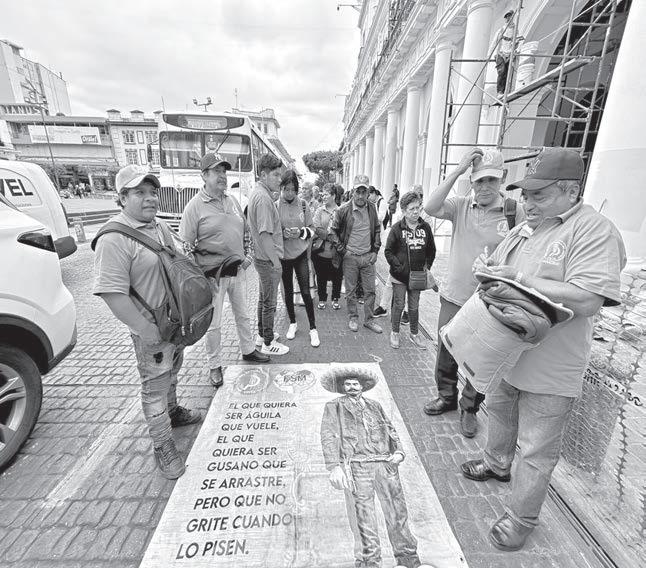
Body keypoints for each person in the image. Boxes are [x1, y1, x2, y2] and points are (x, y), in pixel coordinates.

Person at [460, 147, 625, 551]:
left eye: (540, 195)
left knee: (536, 449)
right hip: (508, 352)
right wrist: (488, 270)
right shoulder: (525, 228)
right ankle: (497, 464)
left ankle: (521, 518)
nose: (528, 203)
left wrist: (518, 278)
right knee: (499, 413)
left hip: (551, 366)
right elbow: (497, 266)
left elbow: (588, 299)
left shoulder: (593, 230)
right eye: (526, 194)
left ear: (571, 192)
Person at [93, 165, 201, 479]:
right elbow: (112, 293)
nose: (150, 198)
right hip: (151, 330)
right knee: (154, 387)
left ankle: (173, 412)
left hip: (174, 323)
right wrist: (144, 329)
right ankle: (163, 445)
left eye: (152, 192)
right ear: (122, 197)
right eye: (139, 192)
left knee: (172, 374)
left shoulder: (158, 226)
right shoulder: (114, 238)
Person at [423, 148, 524, 438]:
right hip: (454, 295)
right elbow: (430, 206)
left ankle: (470, 407)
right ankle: (446, 396)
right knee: (446, 350)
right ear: (472, 181)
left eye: (491, 180)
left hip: (489, 299)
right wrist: (458, 170)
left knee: (480, 358)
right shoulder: (461, 205)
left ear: (502, 178)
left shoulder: (513, 211)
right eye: (480, 180)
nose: (485, 187)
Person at [179, 153, 269, 388]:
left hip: (237, 272)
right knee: (214, 324)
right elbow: (185, 246)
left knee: (243, 315)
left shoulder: (233, 201)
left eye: (224, 171)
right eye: (216, 171)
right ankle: (215, 366)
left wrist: (248, 258)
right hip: (212, 278)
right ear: (204, 176)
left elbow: (246, 232)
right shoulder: (194, 207)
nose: (222, 176)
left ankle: (248, 350)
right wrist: (199, 278)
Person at [320, 367, 422, 568]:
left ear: (362, 386)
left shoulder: (375, 405)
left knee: (397, 512)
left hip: (385, 464)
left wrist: (399, 452)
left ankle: (408, 559)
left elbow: (390, 428)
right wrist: (334, 466)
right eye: (347, 384)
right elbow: (328, 434)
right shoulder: (334, 406)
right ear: (342, 387)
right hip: (357, 466)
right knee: (363, 517)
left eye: (355, 383)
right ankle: (369, 562)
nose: (351, 387)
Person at [247, 154, 290, 355]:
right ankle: (268, 342)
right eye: (276, 175)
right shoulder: (263, 198)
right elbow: (265, 235)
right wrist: (276, 262)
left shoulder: (259, 193)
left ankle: (263, 334)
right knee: (269, 303)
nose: (280, 179)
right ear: (263, 175)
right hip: (268, 259)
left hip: (262, 258)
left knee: (264, 299)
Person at [330, 174, 383, 334]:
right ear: (353, 192)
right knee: (351, 291)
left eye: (363, 192)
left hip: (368, 257)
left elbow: (377, 229)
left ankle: (369, 320)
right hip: (350, 257)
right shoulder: (343, 210)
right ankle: (353, 317)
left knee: (370, 291)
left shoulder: (372, 208)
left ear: (368, 193)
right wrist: (343, 251)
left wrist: (375, 251)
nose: (360, 196)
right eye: (357, 192)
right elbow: (333, 232)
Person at [384, 191, 436, 350]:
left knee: (414, 306)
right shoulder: (396, 228)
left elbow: (431, 250)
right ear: (404, 211)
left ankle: (414, 334)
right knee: (399, 305)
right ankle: (395, 332)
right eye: (412, 209)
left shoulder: (425, 227)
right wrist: (398, 267)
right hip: (399, 277)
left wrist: (426, 267)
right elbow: (388, 251)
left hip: (418, 277)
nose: (416, 211)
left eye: (418, 207)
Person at [277, 170, 320, 347]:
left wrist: (301, 232)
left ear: (296, 189)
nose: (289, 193)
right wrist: (283, 233)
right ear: (281, 188)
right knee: (287, 291)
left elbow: (312, 229)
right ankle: (293, 323)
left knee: (305, 291)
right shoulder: (275, 205)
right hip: (283, 256)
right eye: (285, 189)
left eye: (292, 190)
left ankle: (313, 328)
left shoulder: (303, 204)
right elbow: (272, 232)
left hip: (300, 253)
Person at [312, 183, 343, 310]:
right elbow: (316, 228)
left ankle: (335, 298)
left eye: (326, 194)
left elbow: (343, 231)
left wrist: (333, 237)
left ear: (333, 196)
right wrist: (331, 236)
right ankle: (322, 298)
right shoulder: (320, 210)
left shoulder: (341, 211)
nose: (323, 197)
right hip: (321, 250)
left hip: (336, 251)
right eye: (322, 194)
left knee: (337, 276)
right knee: (321, 276)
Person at [493, 10, 524, 98]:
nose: (508, 18)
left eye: (510, 16)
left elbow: (517, 42)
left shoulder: (515, 30)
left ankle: (504, 91)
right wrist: (490, 55)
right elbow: (494, 42)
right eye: (507, 17)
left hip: (510, 53)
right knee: (501, 71)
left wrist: (516, 48)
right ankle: (499, 91)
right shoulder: (502, 30)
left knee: (507, 73)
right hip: (501, 53)